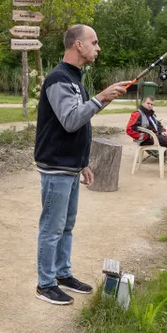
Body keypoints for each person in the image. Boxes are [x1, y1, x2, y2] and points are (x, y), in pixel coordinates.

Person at [33, 24, 131, 306]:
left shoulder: (75, 79)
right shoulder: (58, 78)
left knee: (66, 226)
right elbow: (72, 119)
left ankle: (62, 274)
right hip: (55, 167)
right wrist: (101, 98)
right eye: (94, 42)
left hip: (71, 166)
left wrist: (83, 163)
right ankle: (45, 283)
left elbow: (78, 126)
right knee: (52, 228)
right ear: (78, 45)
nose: (98, 48)